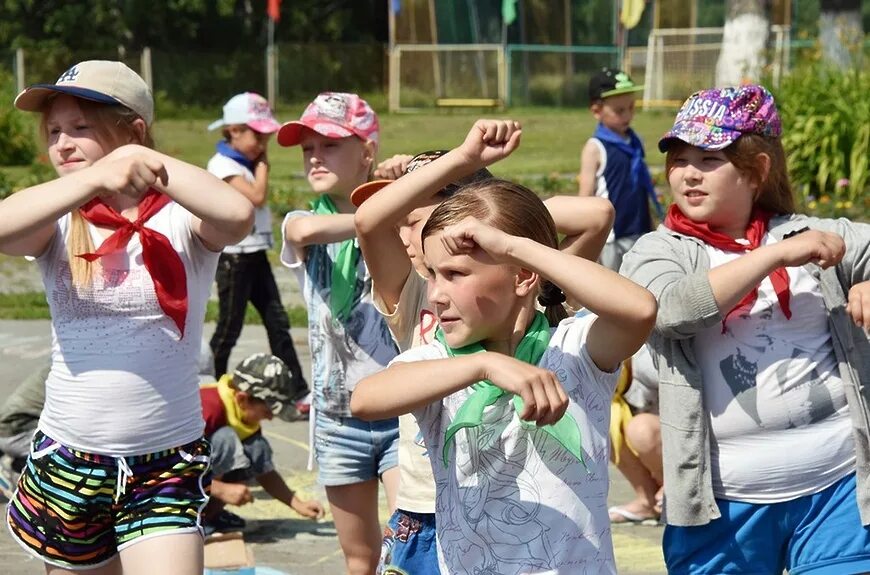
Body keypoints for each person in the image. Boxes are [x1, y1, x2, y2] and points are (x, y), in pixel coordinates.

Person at [0, 60, 255, 574]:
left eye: (80, 128)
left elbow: (237, 213)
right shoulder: (59, 220)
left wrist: (143, 158)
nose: (62, 144)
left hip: (164, 464)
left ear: (133, 130)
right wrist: (96, 174)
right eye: (53, 132)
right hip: (69, 460)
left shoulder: (180, 217)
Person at [351, 172, 658, 573]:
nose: (436, 294)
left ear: (523, 275)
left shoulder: (574, 350)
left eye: (455, 274)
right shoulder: (441, 363)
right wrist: (485, 364)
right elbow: (366, 400)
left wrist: (514, 246)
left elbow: (640, 309)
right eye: (432, 275)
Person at [621, 84, 870, 575]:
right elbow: (670, 310)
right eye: (678, 158)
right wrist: (771, 255)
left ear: (756, 171)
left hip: (839, 491)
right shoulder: (657, 252)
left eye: (709, 158)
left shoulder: (810, 234)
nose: (688, 174)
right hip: (721, 505)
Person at [277, 92, 400, 575]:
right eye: (307, 147)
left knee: (416, 544)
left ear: (367, 151)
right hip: (336, 420)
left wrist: (403, 188)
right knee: (360, 558)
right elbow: (307, 233)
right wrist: (386, 208)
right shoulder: (302, 222)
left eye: (329, 145)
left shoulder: (401, 217)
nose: (314, 156)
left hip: (401, 414)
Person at [205, 92, 309, 413]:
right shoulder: (222, 164)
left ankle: (297, 390)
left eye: (266, 136)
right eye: (256, 135)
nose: (263, 143)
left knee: (277, 321)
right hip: (235, 259)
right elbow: (257, 197)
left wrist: (258, 162)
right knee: (229, 327)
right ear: (233, 130)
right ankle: (209, 382)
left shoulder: (246, 162)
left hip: (256, 255)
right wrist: (263, 166)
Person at [200, 353, 324, 533]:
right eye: (268, 410)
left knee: (256, 446)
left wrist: (297, 504)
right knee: (224, 440)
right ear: (243, 399)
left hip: (199, 482)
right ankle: (191, 519)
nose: (271, 417)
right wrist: (219, 490)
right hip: (165, 483)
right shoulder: (207, 409)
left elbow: (263, 469)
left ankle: (209, 515)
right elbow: (171, 464)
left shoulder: (241, 413)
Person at [578, 67, 661, 272]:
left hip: (639, 230)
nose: (628, 115)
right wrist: (587, 243)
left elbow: (641, 186)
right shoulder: (595, 148)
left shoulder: (634, 141)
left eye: (631, 107)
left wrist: (651, 225)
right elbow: (584, 199)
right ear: (597, 111)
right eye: (619, 110)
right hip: (611, 237)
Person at [607, 344, 663, 524]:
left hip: (692, 432)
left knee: (641, 429)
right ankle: (647, 499)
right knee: (607, 421)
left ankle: (675, 487)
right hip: (650, 417)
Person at [0, 366, 47, 500]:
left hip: (9, 428)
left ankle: (18, 463)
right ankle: (22, 471)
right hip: (16, 433)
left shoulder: (62, 360)